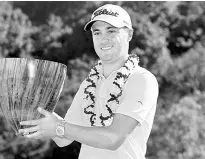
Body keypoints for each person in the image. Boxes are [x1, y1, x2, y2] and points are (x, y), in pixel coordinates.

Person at [19, 4, 159, 159]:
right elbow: (64, 139)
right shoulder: (89, 83)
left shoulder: (142, 80)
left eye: (111, 31)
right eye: (97, 32)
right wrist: (42, 120)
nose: (103, 38)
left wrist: (59, 127)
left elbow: (113, 138)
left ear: (129, 34)